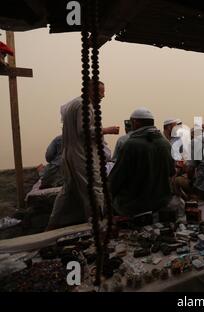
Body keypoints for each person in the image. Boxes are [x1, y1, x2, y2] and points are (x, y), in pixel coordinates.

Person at [48, 81, 119, 230]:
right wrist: (107, 130)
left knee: (67, 191)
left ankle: (51, 225)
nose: (103, 96)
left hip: (69, 155)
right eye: (101, 92)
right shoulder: (84, 105)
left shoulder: (71, 104)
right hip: (82, 156)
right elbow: (84, 131)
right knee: (94, 189)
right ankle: (97, 227)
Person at [109, 107, 175, 217]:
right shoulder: (165, 143)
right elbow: (171, 172)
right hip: (162, 201)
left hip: (135, 205)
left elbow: (117, 178)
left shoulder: (131, 145)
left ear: (135, 122)